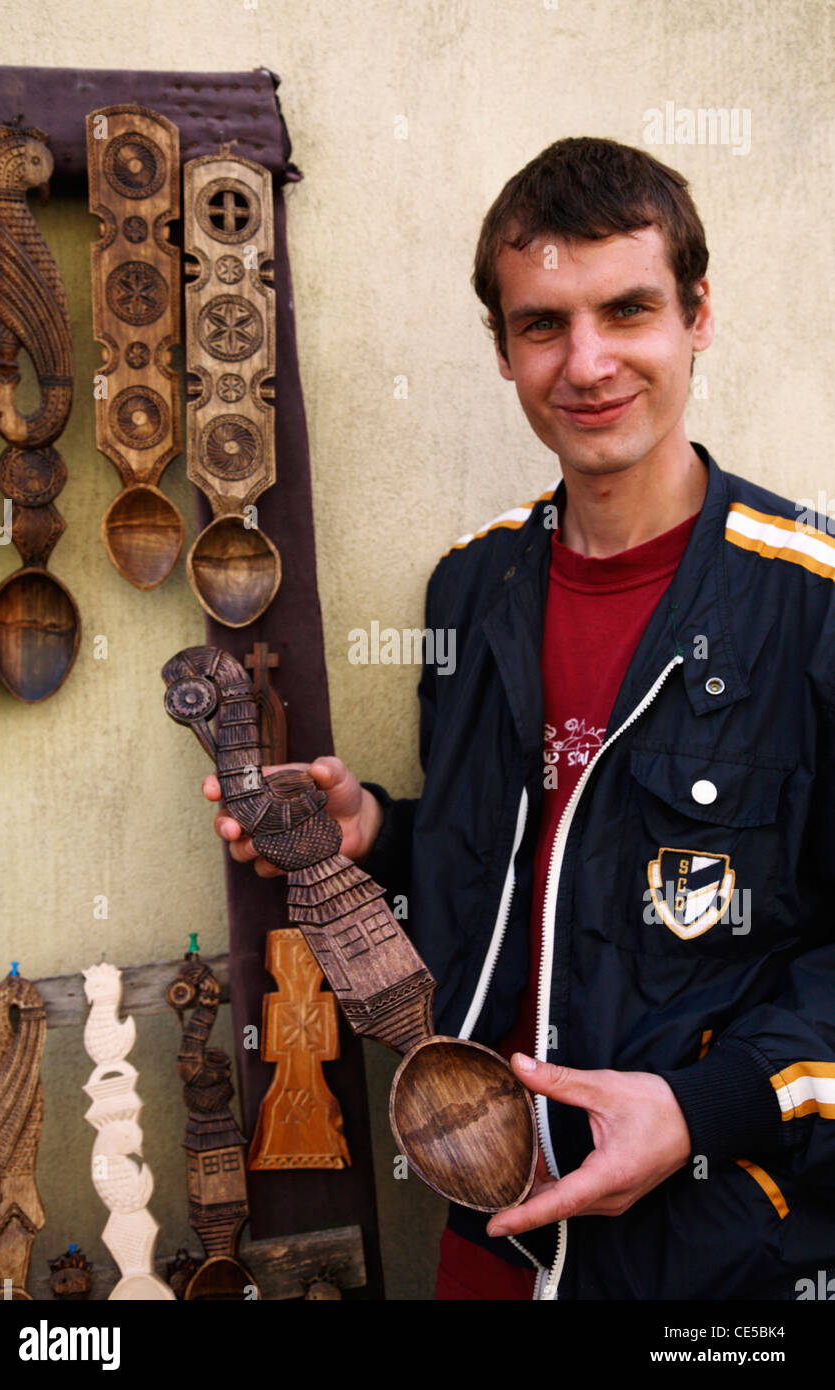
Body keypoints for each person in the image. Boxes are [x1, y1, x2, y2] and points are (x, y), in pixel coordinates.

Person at [203, 138, 835, 1301]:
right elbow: (534, 858)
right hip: (489, 1227)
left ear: (696, 315)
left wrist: (701, 1109)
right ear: (502, 350)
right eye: (543, 324)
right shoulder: (470, 585)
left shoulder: (812, 602)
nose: (586, 364)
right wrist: (376, 830)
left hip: (719, 1254)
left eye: (626, 309)